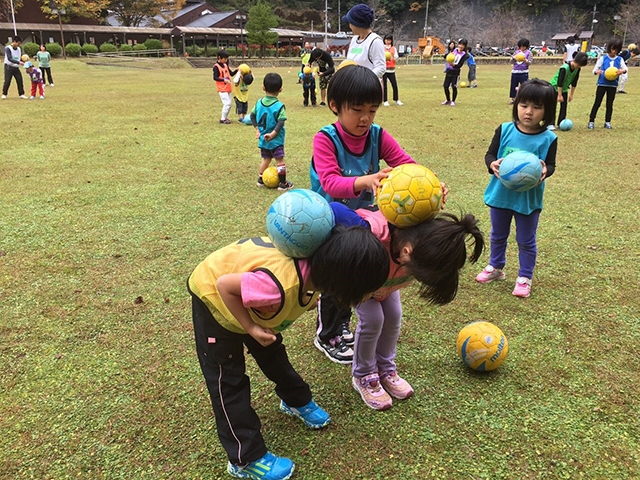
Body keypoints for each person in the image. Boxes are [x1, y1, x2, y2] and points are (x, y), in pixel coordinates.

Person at [188, 225, 389, 480]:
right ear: (345, 280)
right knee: (227, 380)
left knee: (273, 353)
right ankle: (245, 459)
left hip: (249, 297)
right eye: (368, 289)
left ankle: (295, 400)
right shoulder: (278, 285)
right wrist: (249, 327)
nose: (372, 294)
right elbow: (224, 285)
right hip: (214, 297)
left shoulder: (319, 271)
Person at [309, 65, 445, 363]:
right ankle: (328, 333)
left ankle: (346, 327)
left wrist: (432, 185)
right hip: (331, 220)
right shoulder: (325, 139)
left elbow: (407, 165)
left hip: (366, 221)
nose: (365, 118)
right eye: (357, 110)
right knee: (336, 280)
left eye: (372, 110)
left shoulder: (377, 135)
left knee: (360, 275)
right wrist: (366, 180)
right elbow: (330, 182)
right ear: (335, 106)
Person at [330, 203, 483, 410]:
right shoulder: (374, 234)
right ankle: (364, 374)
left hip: (387, 287)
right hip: (363, 283)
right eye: (415, 273)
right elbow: (335, 208)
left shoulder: (428, 245)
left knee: (393, 317)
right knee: (373, 320)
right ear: (406, 252)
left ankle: (386, 369)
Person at [476, 79, 558, 298]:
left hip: (527, 200)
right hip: (501, 195)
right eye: (524, 105)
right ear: (517, 105)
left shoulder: (549, 138)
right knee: (498, 234)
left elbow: (551, 166)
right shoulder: (504, 130)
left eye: (537, 107)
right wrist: (491, 164)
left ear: (547, 111)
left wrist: (544, 171)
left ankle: (524, 277)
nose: (529, 112)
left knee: (526, 239)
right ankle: (496, 267)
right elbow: (490, 154)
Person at [251, 73, 293, 191]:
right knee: (279, 160)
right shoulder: (279, 106)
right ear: (281, 89)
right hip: (276, 140)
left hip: (263, 139)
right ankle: (283, 183)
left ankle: (260, 180)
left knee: (266, 159)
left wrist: (257, 129)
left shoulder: (258, 103)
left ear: (263, 88)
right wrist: (273, 134)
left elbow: (252, 116)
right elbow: (281, 122)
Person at [588, 39, 627, 130]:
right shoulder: (603, 58)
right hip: (602, 84)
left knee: (609, 104)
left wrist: (622, 71)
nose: (613, 52)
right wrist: (596, 72)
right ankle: (591, 121)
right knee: (597, 102)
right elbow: (594, 70)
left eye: (616, 50)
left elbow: (625, 69)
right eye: (612, 49)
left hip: (613, 85)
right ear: (609, 48)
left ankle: (607, 122)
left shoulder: (620, 59)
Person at [343, 4, 386, 79]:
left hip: (367, 88)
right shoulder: (354, 40)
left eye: (350, 23)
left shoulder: (375, 41)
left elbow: (381, 68)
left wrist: (363, 81)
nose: (349, 26)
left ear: (357, 24)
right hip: (352, 85)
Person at [548, 52, 588, 129]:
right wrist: (559, 95)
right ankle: (550, 123)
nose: (579, 67)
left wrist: (571, 95)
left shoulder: (577, 69)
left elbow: (574, 82)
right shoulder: (564, 68)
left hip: (564, 89)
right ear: (575, 60)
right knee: (552, 106)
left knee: (564, 106)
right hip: (554, 87)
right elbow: (560, 82)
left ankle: (561, 123)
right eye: (579, 65)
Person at [442, 38, 469, 106]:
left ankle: (453, 101)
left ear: (465, 46)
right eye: (460, 44)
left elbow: (460, 65)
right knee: (445, 86)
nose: (461, 46)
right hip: (449, 70)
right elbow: (445, 56)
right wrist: (448, 55)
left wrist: (454, 65)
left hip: (456, 72)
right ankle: (448, 100)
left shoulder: (465, 55)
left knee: (454, 87)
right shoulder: (453, 50)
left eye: (463, 45)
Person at [213, 50, 238, 124]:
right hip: (221, 88)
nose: (226, 60)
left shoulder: (225, 65)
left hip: (228, 88)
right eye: (225, 59)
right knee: (227, 103)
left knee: (229, 103)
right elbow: (215, 77)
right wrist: (223, 80)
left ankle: (225, 117)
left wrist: (237, 70)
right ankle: (222, 119)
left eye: (227, 59)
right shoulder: (216, 67)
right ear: (219, 58)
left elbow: (231, 74)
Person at [509, 38, 533, 105]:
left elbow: (530, 63)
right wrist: (513, 58)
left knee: (524, 86)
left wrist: (526, 61)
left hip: (524, 72)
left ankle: (524, 99)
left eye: (523, 46)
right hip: (515, 72)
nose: (522, 48)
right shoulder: (516, 52)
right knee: (513, 86)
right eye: (521, 46)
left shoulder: (529, 53)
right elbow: (511, 61)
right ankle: (513, 99)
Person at [2, 35, 26, 99]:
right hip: (8, 67)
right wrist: (19, 62)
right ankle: (4, 94)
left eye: (20, 44)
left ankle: (21, 94)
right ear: (14, 42)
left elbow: (19, 57)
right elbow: (9, 58)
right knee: (7, 81)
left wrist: (23, 60)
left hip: (16, 67)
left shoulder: (19, 49)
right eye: (18, 43)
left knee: (19, 80)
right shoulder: (8, 48)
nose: (19, 45)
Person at [382, 34, 403, 106]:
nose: (388, 41)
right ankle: (385, 100)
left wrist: (392, 56)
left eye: (389, 40)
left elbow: (396, 57)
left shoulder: (393, 48)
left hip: (391, 70)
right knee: (384, 86)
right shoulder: (381, 48)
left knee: (394, 85)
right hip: (384, 70)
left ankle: (396, 99)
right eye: (386, 40)